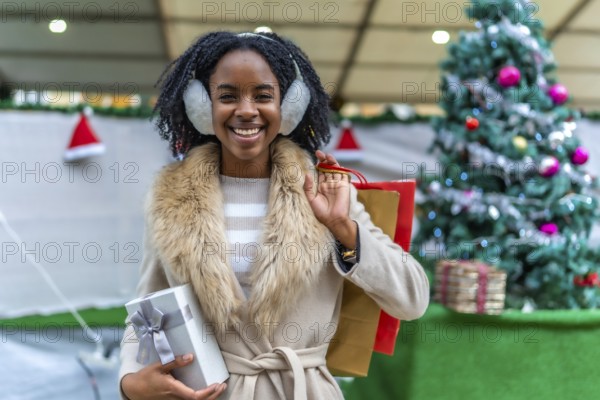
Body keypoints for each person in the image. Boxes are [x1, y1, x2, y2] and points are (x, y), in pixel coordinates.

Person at [119, 31, 429, 400]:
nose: (246, 110)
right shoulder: (170, 201)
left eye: (263, 96)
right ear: (202, 107)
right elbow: (146, 316)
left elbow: (413, 300)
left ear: (290, 106)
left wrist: (343, 229)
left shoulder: (325, 193)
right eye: (228, 96)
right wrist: (129, 382)